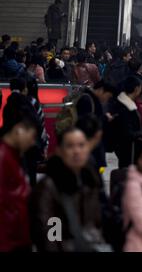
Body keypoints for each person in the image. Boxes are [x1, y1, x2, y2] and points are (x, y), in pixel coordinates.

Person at [30, 127, 107, 252]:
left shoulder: (89, 180)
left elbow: (95, 224)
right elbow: (50, 236)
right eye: (70, 146)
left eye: (81, 146)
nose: (76, 151)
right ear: (59, 151)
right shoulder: (48, 187)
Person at [0, 105, 37, 252]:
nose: (32, 142)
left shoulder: (14, 156)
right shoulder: (3, 157)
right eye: (32, 136)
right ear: (18, 130)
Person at [76, 80, 117, 169]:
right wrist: (105, 118)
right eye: (108, 96)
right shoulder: (87, 100)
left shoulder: (91, 99)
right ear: (101, 90)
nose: (106, 100)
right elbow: (88, 124)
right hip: (88, 147)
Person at [110, 76, 142, 168]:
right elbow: (126, 131)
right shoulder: (125, 107)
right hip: (129, 148)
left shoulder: (124, 103)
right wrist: (141, 135)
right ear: (136, 88)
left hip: (127, 148)